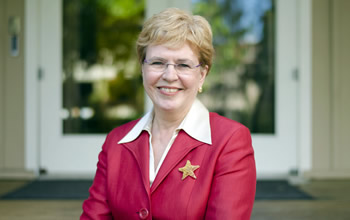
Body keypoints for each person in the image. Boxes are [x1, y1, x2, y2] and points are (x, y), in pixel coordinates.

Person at [81, 8, 256, 220]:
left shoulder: (230, 141)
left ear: (202, 75)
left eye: (183, 64)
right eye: (157, 62)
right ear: (142, 68)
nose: (169, 75)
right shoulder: (115, 142)